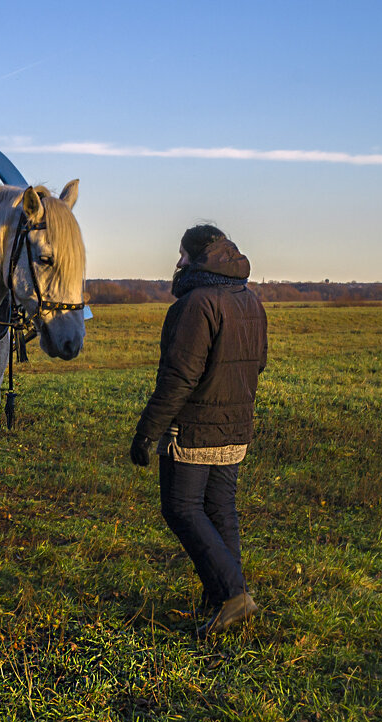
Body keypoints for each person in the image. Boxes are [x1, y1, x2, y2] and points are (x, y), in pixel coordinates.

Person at [130, 224, 268, 638]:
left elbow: (178, 378)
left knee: (181, 507)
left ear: (198, 258)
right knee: (219, 508)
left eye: (183, 256)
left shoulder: (195, 304)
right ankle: (225, 596)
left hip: (193, 429)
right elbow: (258, 363)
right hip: (236, 426)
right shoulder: (250, 300)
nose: (178, 263)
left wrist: (146, 432)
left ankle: (233, 595)